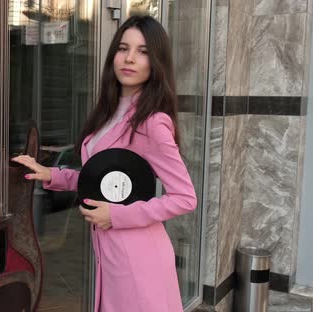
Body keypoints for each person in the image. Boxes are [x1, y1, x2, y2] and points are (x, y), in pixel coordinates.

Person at [12, 15, 197, 312]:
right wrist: (51, 174)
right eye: (124, 48)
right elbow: (99, 179)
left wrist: (117, 215)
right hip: (112, 257)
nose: (130, 58)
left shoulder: (152, 122)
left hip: (138, 260)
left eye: (143, 51)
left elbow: (185, 198)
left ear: (156, 63)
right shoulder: (108, 113)